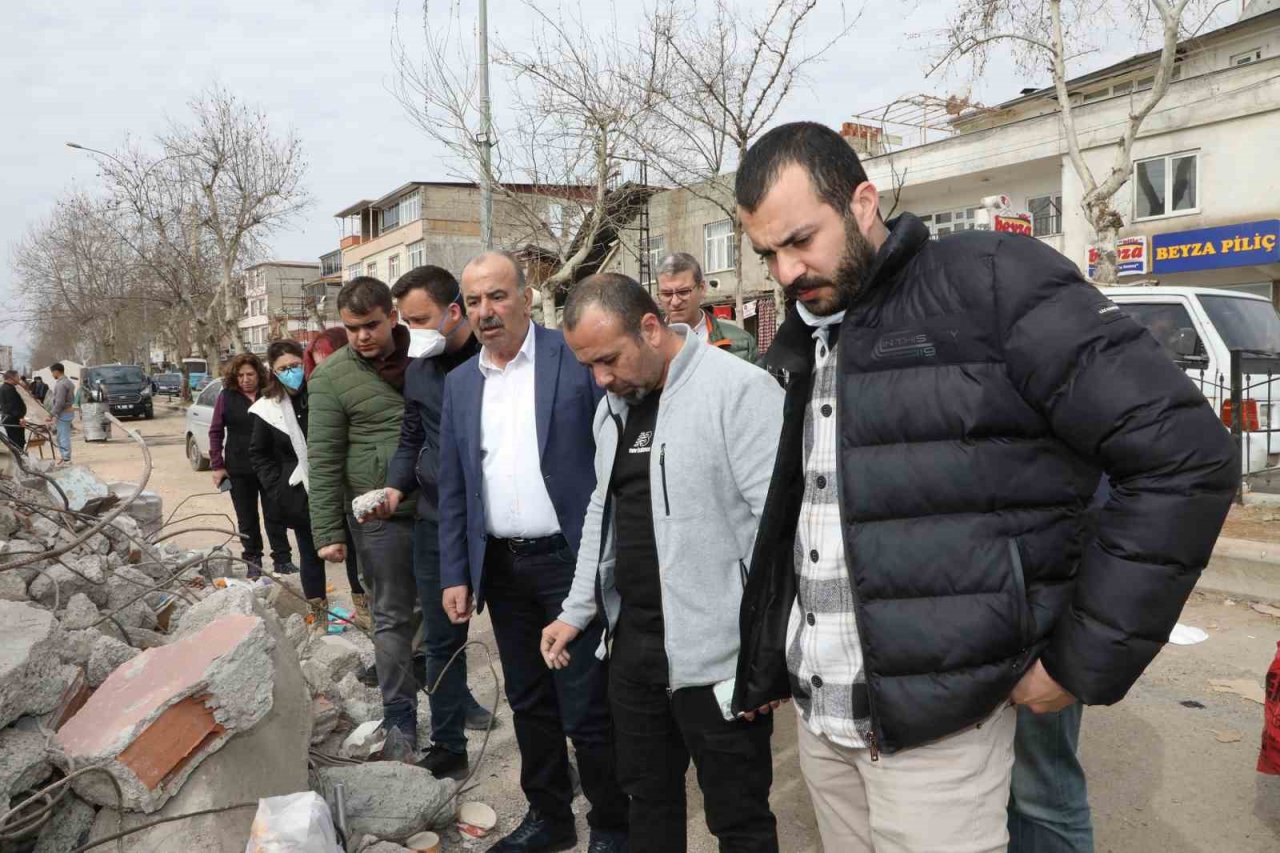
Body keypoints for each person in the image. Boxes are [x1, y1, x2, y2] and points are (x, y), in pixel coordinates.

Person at [732, 122, 1237, 852]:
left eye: (801, 239)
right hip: (824, 719)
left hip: (943, 724)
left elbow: (1184, 456)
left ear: (864, 203)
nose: (785, 271)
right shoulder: (805, 337)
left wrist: (1080, 658)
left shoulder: (993, 279)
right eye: (767, 253)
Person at [541, 273, 784, 852]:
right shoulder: (613, 410)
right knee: (647, 802)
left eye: (608, 360)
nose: (602, 379)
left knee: (740, 818)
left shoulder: (739, 392)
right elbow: (605, 511)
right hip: (634, 651)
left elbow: (777, 535)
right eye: (589, 367)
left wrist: (767, 654)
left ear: (650, 328)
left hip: (721, 655)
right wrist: (577, 610)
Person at [438, 251, 628, 853]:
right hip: (501, 566)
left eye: (497, 296)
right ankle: (551, 817)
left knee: (587, 705)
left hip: (571, 562)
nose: (487, 312)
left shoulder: (570, 360)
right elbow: (456, 484)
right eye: (474, 302)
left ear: (525, 295)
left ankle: (612, 827)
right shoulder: (462, 383)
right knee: (528, 702)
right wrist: (456, 571)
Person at [378, 265, 491, 779]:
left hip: (496, 523)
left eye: (420, 319)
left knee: (529, 639)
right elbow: (411, 437)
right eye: (405, 321)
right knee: (442, 640)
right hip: (434, 520)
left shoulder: (496, 361)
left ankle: (556, 753)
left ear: (453, 312)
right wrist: (396, 486)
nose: (412, 331)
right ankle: (448, 744)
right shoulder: (420, 369)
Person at [308, 277, 422, 762]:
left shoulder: (427, 355)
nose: (361, 337)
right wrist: (328, 533)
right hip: (378, 517)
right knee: (392, 615)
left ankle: (455, 699)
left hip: (440, 505)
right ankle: (400, 715)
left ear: (392, 316)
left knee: (443, 614)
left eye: (371, 325)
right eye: (351, 328)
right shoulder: (331, 378)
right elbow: (324, 457)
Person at [249, 340, 329, 633]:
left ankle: (363, 612)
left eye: (295, 365)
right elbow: (259, 453)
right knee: (309, 553)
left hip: (332, 483)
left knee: (350, 549)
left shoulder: (321, 392)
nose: (291, 372)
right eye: (283, 368)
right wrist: (277, 486)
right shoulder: (268, 408)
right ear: (274, 372)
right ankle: (319, 617)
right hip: (296, 491)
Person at [304, 329, 371, 632]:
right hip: (333, 497)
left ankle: (369, 618)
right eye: (318, 365)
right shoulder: (317, 395)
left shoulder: (368, 389)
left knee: (367, 568)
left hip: (367, 496)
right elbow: (323, 459)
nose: (326, 371)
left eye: (329, 361)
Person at [209, 353, 297, 579]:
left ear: (259, 374)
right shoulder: (226, 397)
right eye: (240, 375)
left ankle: (283, 559)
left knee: (275, 513)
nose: (245, 379)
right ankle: (253, 561)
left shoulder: (271, 395)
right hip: (238, 468)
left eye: (250, 374)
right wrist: (217, 465)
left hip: (270, 466)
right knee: (246, 517)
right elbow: (216, 432)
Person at [654, 252, 758, 362]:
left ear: (702, 289)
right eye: (666, 294)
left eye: (683, 292)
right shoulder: (646, 346)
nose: (675, 301)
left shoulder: (742, 343)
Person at [46, 363, 75, 463]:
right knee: (62, 436)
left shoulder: (61, 384)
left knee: (63, 436)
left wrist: (51, 414)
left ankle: (66, 458)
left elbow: (59, 402)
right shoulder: (68, 382)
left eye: (52, 372)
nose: (52, 375)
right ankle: (65, 457)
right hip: (67, 411)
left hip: (64, 413)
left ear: (56, 372)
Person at [0, 371, 27, 451]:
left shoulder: (5, 387)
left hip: (10, 419)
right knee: (18, 443)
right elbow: (12, 406)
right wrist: (20, 418)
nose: (18, 379)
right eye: (17, 377)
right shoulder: (8, 389)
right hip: (13, 420)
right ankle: (20, 459)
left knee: (16, 442)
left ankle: (19, 458)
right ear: (11, 378)